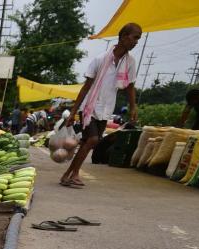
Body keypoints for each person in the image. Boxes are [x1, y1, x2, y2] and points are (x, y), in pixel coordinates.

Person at [60, 23, 142, 188]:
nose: (136, 42)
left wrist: (133, 106)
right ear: (124, 36)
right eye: (135, 37)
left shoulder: (130, 62)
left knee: (88, 142)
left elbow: (130, 86)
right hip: (89, 107)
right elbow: (86, 87)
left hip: (106, 109)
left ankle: (67, 175)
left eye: (138, 39)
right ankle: (74, 174)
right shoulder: (100, 59)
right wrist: (73, 112)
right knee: (92, 139)